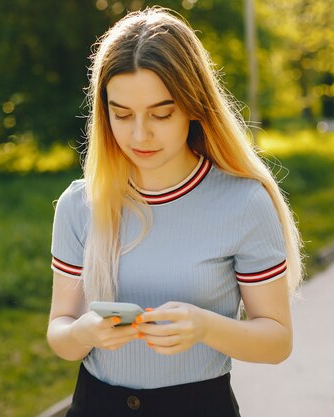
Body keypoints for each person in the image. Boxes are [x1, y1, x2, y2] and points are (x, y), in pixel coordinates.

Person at [47, 7, 303, 417]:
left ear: (193, 105)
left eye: (161, 113)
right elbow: (59, 332)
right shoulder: (79, 203)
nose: (139, 134)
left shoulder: (243, 202)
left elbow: (277, 342)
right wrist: (84, 332)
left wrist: (206, 327)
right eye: (122, 114)